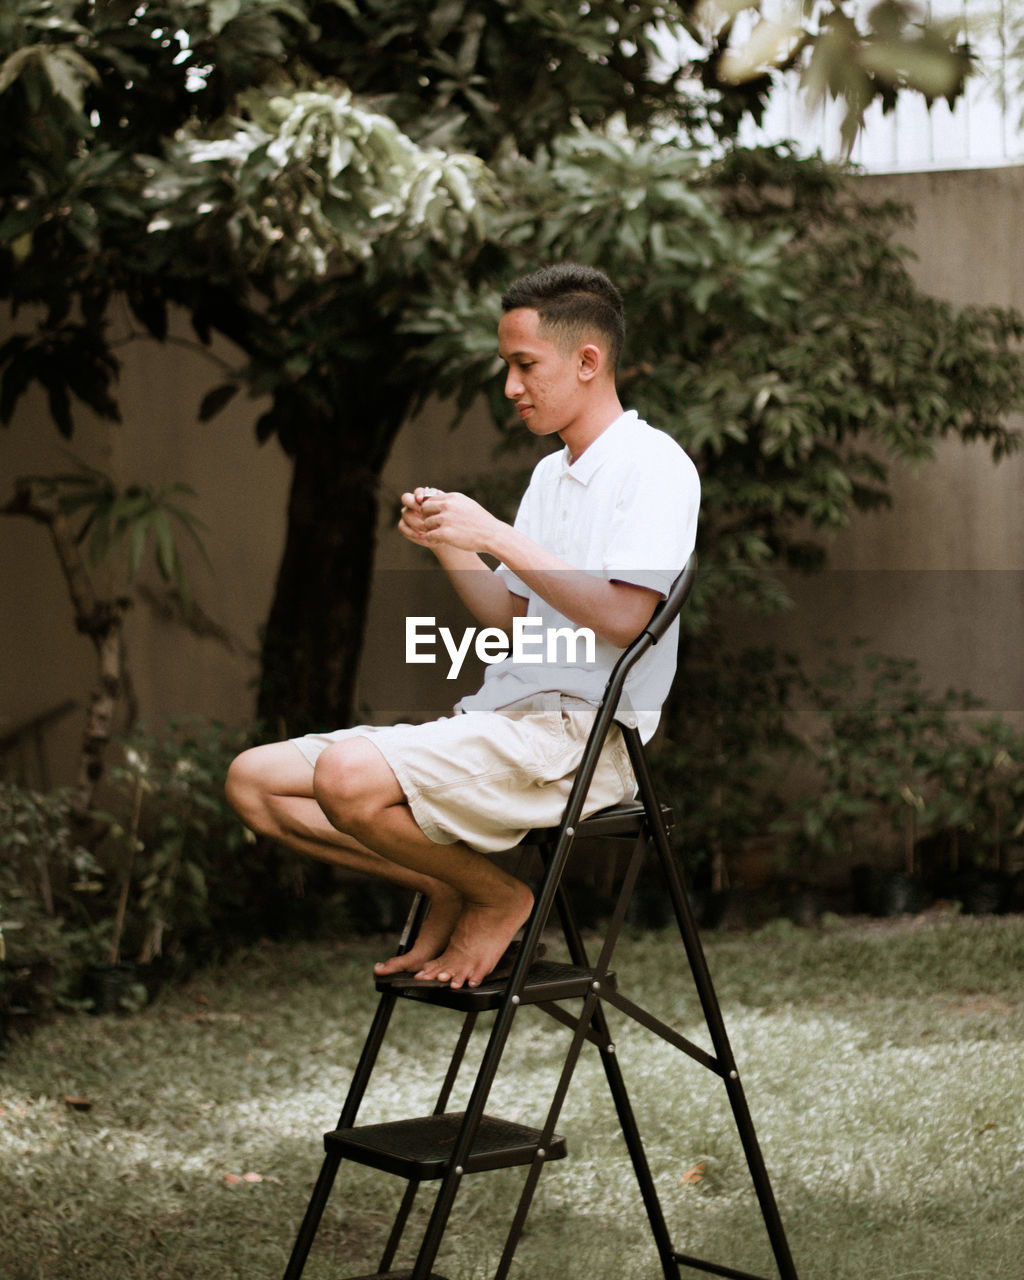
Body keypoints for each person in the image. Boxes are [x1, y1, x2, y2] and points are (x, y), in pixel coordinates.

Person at [225, 264, 700, 990]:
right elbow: (516, 620)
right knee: (254, 783)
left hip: (583, 739)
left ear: (587, 361)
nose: (510, 387)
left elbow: (628, 615)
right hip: (504, 720)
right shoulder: (552, 475)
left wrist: (498, 536)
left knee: (346, 778)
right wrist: (453, 539)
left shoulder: (654, 467)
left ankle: (497, 895)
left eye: (523, 365)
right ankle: (451, 885)